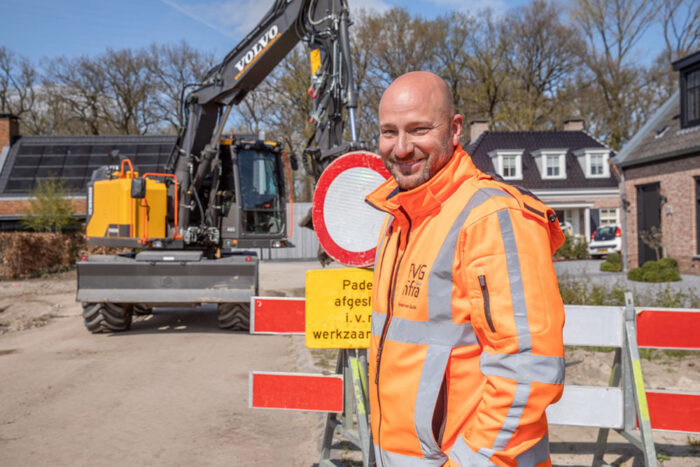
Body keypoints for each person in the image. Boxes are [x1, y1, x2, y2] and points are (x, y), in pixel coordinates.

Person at [365, 71, 566, 466]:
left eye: (419, 129)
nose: (401, 148)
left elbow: (528, 368)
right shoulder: (399, 218)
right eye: (389, 132)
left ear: (455, 129)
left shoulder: (492, 216)